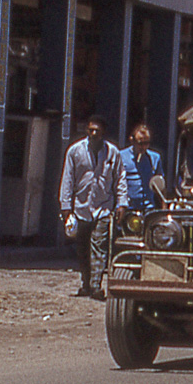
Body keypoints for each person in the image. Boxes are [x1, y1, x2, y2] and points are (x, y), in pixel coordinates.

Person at [59, 115, 120, 298]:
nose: (93, 133)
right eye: (90, 130)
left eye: (97, 131)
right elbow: (67, 179)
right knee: (83, 248)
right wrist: (65, 206)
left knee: (99, 246)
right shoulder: (75, 151)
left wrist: (122, 203)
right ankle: (85, 284)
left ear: (103, 133)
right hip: (81, 208)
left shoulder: (112, 153)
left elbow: (120, 180)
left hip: (103, 207)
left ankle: (96, 286)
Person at [117, 121, 162, 226]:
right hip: (129, 208)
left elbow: (160, 184)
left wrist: (163, 208)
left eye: (147, 143)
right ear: (132, 140)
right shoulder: (121, 156)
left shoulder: (154, 158)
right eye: (140, 143)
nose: (143, 147)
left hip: (148, 208)